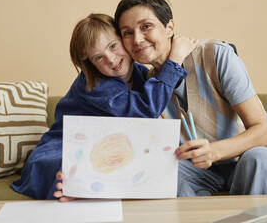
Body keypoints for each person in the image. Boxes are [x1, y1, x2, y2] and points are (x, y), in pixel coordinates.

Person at [114, 0, 267, 197]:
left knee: (260, 158)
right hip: (198, 172)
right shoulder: (146, 84)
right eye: (127, 32)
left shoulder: (215, 55)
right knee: (167, 172)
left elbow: (262, 132)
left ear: (169, 27)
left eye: (146, 26)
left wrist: (214, 152)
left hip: (247, 160)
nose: (137, 39)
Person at [12, 13, 197, 200]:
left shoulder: (141, 73)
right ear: (90, 64)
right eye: (98, 57)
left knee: (136, 168)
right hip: (64, 145)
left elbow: (166, 92)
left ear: (125, 40)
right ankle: (73, 191)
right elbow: (144, 111)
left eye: (113, 46)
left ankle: (84, 188)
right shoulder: (94, 84)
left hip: (105, 146)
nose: (110, 58)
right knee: (67, 168)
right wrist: (174, 60)